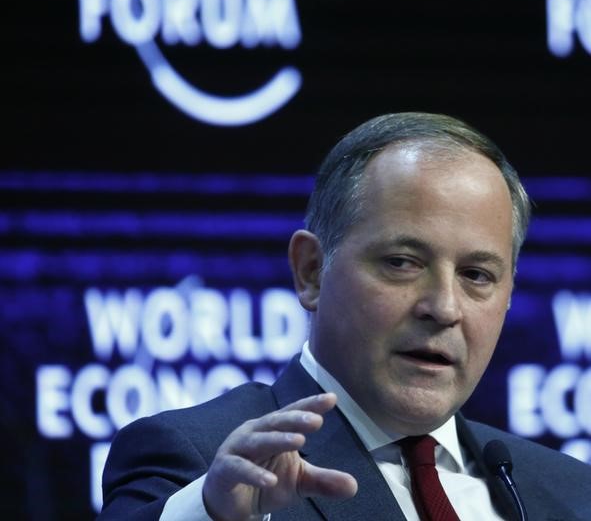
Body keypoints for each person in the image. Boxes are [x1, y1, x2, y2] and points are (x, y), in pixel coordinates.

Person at [98, 113, 591, 520]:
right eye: (402, 263)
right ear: (311, 271)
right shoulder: (204, 463)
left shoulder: (569, 492)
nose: (443, 307)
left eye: (477, 275)